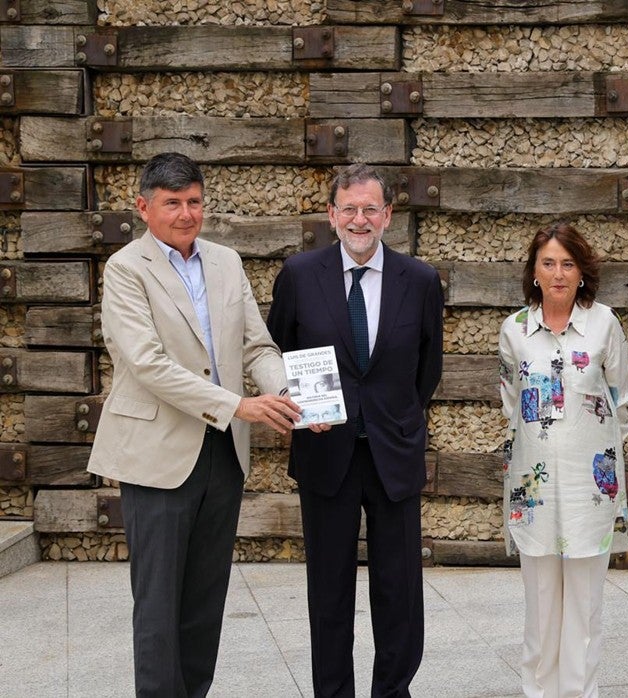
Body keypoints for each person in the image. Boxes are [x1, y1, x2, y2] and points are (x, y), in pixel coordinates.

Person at [87, 152, 302, 697]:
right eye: (172, 203)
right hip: (157, 454)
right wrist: (238, 406)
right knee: (158, 606)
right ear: (143, 207)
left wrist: (285, 393)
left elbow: (257, 345)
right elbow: (148, 364)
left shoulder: (226, 262)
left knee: (205, 601)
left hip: (223, 456)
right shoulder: (125, 269)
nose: (186, 214)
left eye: (195, 202)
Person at [267, 163, 444, 697]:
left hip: (394, 455)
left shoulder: (420, 280)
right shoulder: (299, 275)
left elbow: (426, 370)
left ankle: (392, 692)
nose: (359, 219)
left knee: (399, 592)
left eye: (370, 209)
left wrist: (395, 418)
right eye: (349, 209)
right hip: (326, 455)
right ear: (331, 214)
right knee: (329, 592)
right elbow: (275, 352)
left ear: (388, 215)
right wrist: (295, 404)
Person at [497, 223, 628, 698]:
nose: (558, 273)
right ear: (534, 271)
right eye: (548, 263)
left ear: (582, 272)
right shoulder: (513, 331)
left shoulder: (605, 324)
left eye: (568, 264)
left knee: (584, 610)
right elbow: (512, 404)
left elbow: (620, 401)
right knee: (540, 609)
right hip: (532, 494)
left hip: (589, 490)